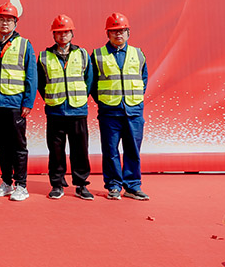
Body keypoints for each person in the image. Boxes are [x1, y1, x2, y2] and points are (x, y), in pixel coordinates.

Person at [0, 3, 36, 202]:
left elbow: (31, 75)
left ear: (15, 23)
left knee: (18, 146)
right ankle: (6, 182)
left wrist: (28, 102)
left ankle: (21, 185)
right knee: (1, 146)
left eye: (9, 20)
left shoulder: (24, 45)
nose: (5, 23)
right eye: (1, 19)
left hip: (15, 103)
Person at [91, 12, 149, 200]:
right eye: (114, 31)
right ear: (107, 33)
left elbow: (143, 79)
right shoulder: (98, 55)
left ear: (128, 33)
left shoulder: (138, 53)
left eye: (122, 30)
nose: (118, 34)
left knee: (133, 149)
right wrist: (105, 101)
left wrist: (134, 98)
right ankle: (114, 186)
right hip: (109, 112)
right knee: (110, 150)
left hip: (133, 110)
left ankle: (132, 186)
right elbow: (92, 84)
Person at [37, 14, 94, 200]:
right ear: (53, 35)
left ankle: (81, 184)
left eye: (66, 32)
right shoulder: (44, 56)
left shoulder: (82, 54)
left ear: (72, 34)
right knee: (56, 151)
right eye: (59, 32)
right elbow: (40, 83)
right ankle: (57, 184)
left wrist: (79, 98)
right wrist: (52, 97)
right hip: (55, 110)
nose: (63, 35)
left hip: (77, 110)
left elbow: (89, 80)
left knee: (80, 150)